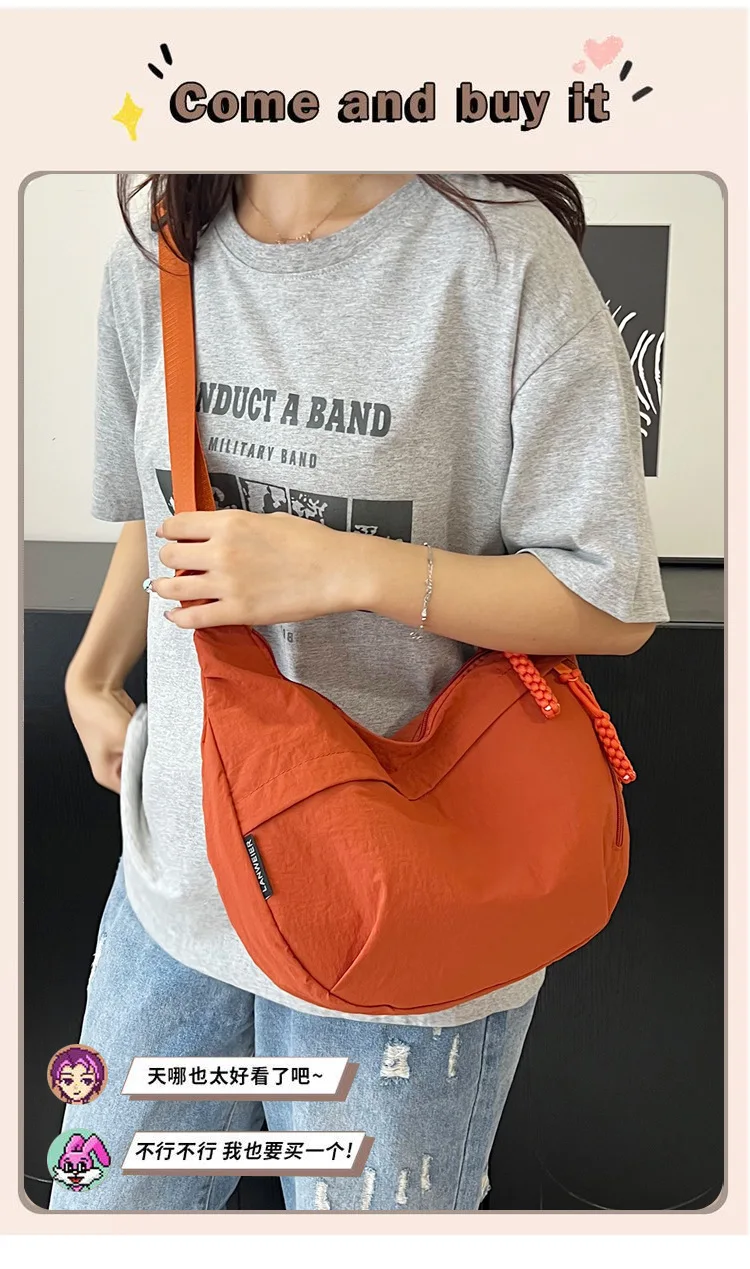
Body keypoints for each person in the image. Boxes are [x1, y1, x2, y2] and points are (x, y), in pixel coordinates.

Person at [52, 172, 670, 1213]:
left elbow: (610, 603)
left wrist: (347, 569)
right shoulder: (158, 249)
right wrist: (91, 670)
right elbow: (157, 515)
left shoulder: (502, 258)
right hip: (180, 887)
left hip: (403, 909)